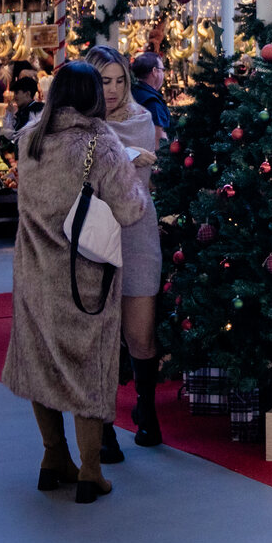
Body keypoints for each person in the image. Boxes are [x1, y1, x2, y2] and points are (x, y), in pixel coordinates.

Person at [1, 61, 152, 504]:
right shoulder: (100, 144)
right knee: (88, 367)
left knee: (39, 362)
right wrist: (138, 175)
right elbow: (129, 210)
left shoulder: (29, 139)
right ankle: (90, 470)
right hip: (84, 277)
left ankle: (53, 458)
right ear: (89, 96)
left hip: (33, 272)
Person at [86, 45, 165, 450]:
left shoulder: (141, 119)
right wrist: (123, 158)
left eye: (120, 80)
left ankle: (147, 412)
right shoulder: (78, 125)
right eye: (104, 81)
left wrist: (124, 158)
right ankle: (101, 427)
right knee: (99, 333)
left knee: (141, 332)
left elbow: (139, 184)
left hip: (137, 231)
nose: (113, 89)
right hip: (94, 236)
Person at [129, 51, 172, 140]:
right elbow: (160, 140)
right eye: (162, 70)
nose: (163, 74)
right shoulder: (152, 103)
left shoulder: (132, 92)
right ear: (154, 71)